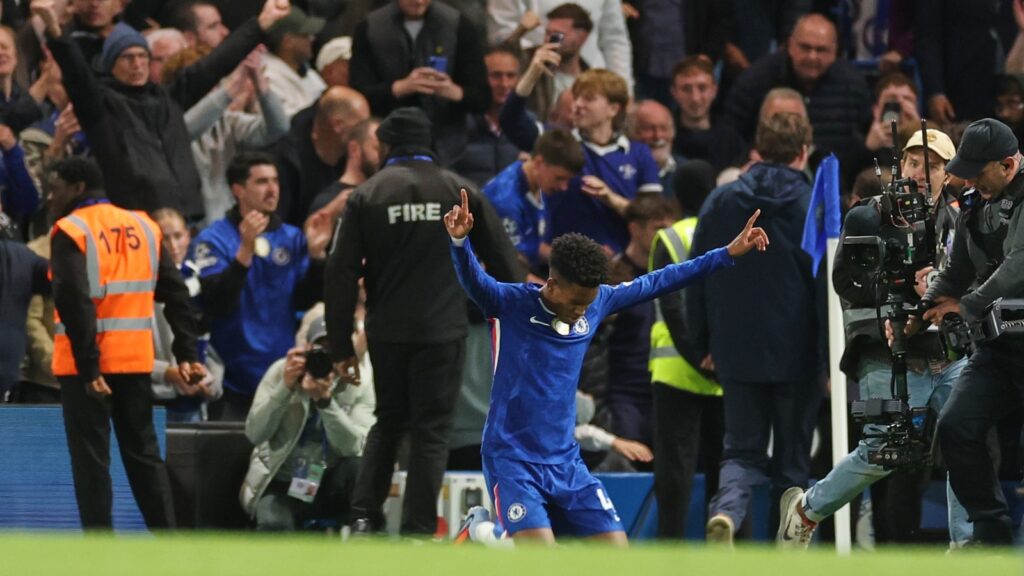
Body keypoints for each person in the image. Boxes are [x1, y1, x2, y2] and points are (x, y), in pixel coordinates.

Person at [446, 186, 768, 545]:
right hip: (512, 459)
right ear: (552, 284)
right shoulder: (510, 304)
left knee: (616, 550)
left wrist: (726, 253)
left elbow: (660, 279)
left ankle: (493, 535)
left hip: (565, 460)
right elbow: (475, 281)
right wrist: (460, 244)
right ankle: (479, 531)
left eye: (590, 300)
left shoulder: (599, 301)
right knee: (539, 559)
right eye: (577, 300)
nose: (583, 309)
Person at [324, 107, 523, 536]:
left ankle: (362, 518)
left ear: (385, 145)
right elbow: (507, 265)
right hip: (443, 330)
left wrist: (340, 347)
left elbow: (339, 273)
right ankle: (416, 531)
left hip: (387, 331)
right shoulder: (461, 189)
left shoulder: (367, 195)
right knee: (432, 433)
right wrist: (510, 319)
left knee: (388, 422)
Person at [777, 128, 974, 549]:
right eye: (916, 162)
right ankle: (806, 510)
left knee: (966, 439)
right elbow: (846, 283)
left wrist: (943, 294)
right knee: (881, 451)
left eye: (934, 165)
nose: (923, 173)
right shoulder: (867, 215)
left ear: (949, 174)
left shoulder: (958, 218)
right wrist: (900, 296)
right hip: (886, 348)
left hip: (947, 351)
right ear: (901, 165)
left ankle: (964, 549)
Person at [687, 112, 824, 546]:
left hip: (735, 346)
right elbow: (825, 287)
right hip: (797, 354)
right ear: (804, 152)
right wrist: (827, 355)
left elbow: (698, 273)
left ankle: (726, 511)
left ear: (757, 151)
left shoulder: (720, 201)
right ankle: (786, 551)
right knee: (792, 463)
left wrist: (702, 342)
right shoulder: (815, 205)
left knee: (741, 450)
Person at [32, 0, 292, 224]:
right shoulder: (101, 106)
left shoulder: (169, 99)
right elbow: (77, 74)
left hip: (185, 218)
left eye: (143, 57)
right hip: (136, 221)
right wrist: (55, 31)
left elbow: (215, 64)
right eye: (128, 58)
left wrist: (260, 25)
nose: (137, 64)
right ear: (111, 65)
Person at [49, 157, 204, 529]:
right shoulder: (144, 227)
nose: (50, 197)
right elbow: (176, 293)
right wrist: (186, 352)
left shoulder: (70, 229)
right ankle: (167, 545)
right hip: (134, 364)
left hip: (86, 371)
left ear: (77, 188)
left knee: (92, 463)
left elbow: (75, 301)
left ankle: (100, 554)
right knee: (144, 456)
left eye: (55, 188)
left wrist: (89, 367)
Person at [930, 118, 1024, 545]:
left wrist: (965, 305)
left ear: (1007, 165)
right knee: (956, 426)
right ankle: (990, 533)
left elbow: (1018, 267)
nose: (967, 177)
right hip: (1001, 347)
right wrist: (925, 306)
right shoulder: (976, 203)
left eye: (977, 169)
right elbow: (956, 271)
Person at [191, 152, 327, 421]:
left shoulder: (292, 237)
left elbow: (304, 300)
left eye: (275, 181)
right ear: (238, 189)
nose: (273, 189)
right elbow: (214, 304)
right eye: (262, 181)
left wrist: (316, 257)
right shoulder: (213, 239)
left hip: (282, 374)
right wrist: (244, 252)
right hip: (232, 380)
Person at [501, 67, 663, 254]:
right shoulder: (558, 142)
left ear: (613, 108)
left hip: (623, 270)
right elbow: (511, 121)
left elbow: (653, 218)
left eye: (588, 98)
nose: (577, 104)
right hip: (564, 267)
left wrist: (611, 199)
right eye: (577, 97)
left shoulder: (639, 153)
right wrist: (534, 71)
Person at [241, 314, 375, 531]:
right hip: (283, 482)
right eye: (321, 350)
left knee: (359, 466)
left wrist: (325, 402)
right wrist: (284, 389)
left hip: (330, 483)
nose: (328, 359)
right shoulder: (281, 372)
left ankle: (365, 535)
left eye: (335, 350)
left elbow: (352, 448)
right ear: (307, 348)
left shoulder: (359, 382)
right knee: (274, 527)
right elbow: (255, 434)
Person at [647, 159, 723, 538]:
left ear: (675, 197)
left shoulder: (669, 238)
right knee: (725, 474)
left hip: (675, 372)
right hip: (724, 372)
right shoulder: (729, 234)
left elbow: (671, 309)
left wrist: (696, 359)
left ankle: (671, 554)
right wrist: (717, 360)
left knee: (674, 476)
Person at [722, 13, 871, 162]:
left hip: (838, 178)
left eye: (821, 50)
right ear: (791, 45)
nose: (812, 56)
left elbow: (865, 137)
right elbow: (729, 135)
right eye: (805, 47)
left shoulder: (853, 85)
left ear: (834, 51)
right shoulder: (756, 80)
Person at [349, 0, 488, 138]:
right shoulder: (370, 28)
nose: (419, 2)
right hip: (388, 135)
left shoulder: (459, 26)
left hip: (446, 141)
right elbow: (358, 92)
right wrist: (399, 88)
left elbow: (482, 97)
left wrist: (453, 91)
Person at [149, 208, 223, 423]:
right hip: (157, 400)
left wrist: (211, 379)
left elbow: (206, 339)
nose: (172, 246)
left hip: (196, 399)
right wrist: (167, 372)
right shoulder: (147, 286)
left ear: (189, 236)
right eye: (164, 239)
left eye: (178, 236)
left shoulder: (198, 279)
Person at [482, 129, 584, 274]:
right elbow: (510, 270)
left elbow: (531, 245)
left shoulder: (537, 181)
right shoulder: (506, 201)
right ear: (539, 162)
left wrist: (576, 260)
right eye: (560, 178)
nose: (564, 187)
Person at [273, 86, 370, 225]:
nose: (365, 133)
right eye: (361, 126)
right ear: (338, 125)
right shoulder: (287, 161)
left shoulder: (355, 156)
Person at [486, 0, 632, 88]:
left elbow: (615, 38)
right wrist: (522, 32)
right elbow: (499, 36)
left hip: (591, 78)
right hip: (535, 81)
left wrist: (624, 88)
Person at [444, 44, 532, 188]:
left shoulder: (531, 126)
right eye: (496, 76)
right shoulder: (456, 125)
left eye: (511, 76)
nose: (505, 84)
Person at [669, 55, 747, 175]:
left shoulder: (731, 139)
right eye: (686, 89)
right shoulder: (665, 137)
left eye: (702, 88)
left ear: (714, 90)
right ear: (674, 93)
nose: (695, 98)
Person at [262, 6, 326, 120]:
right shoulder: (267, 78)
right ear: (288, 41)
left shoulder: (307, 72)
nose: (312, 39)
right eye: (305, 35)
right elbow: (286, 124)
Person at [627, 99, 687, 194]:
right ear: (631, 133)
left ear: (673, 132)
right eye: (649, 129)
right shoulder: (623, 173)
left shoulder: (686, 171)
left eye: (664, 128)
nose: (658, 136)